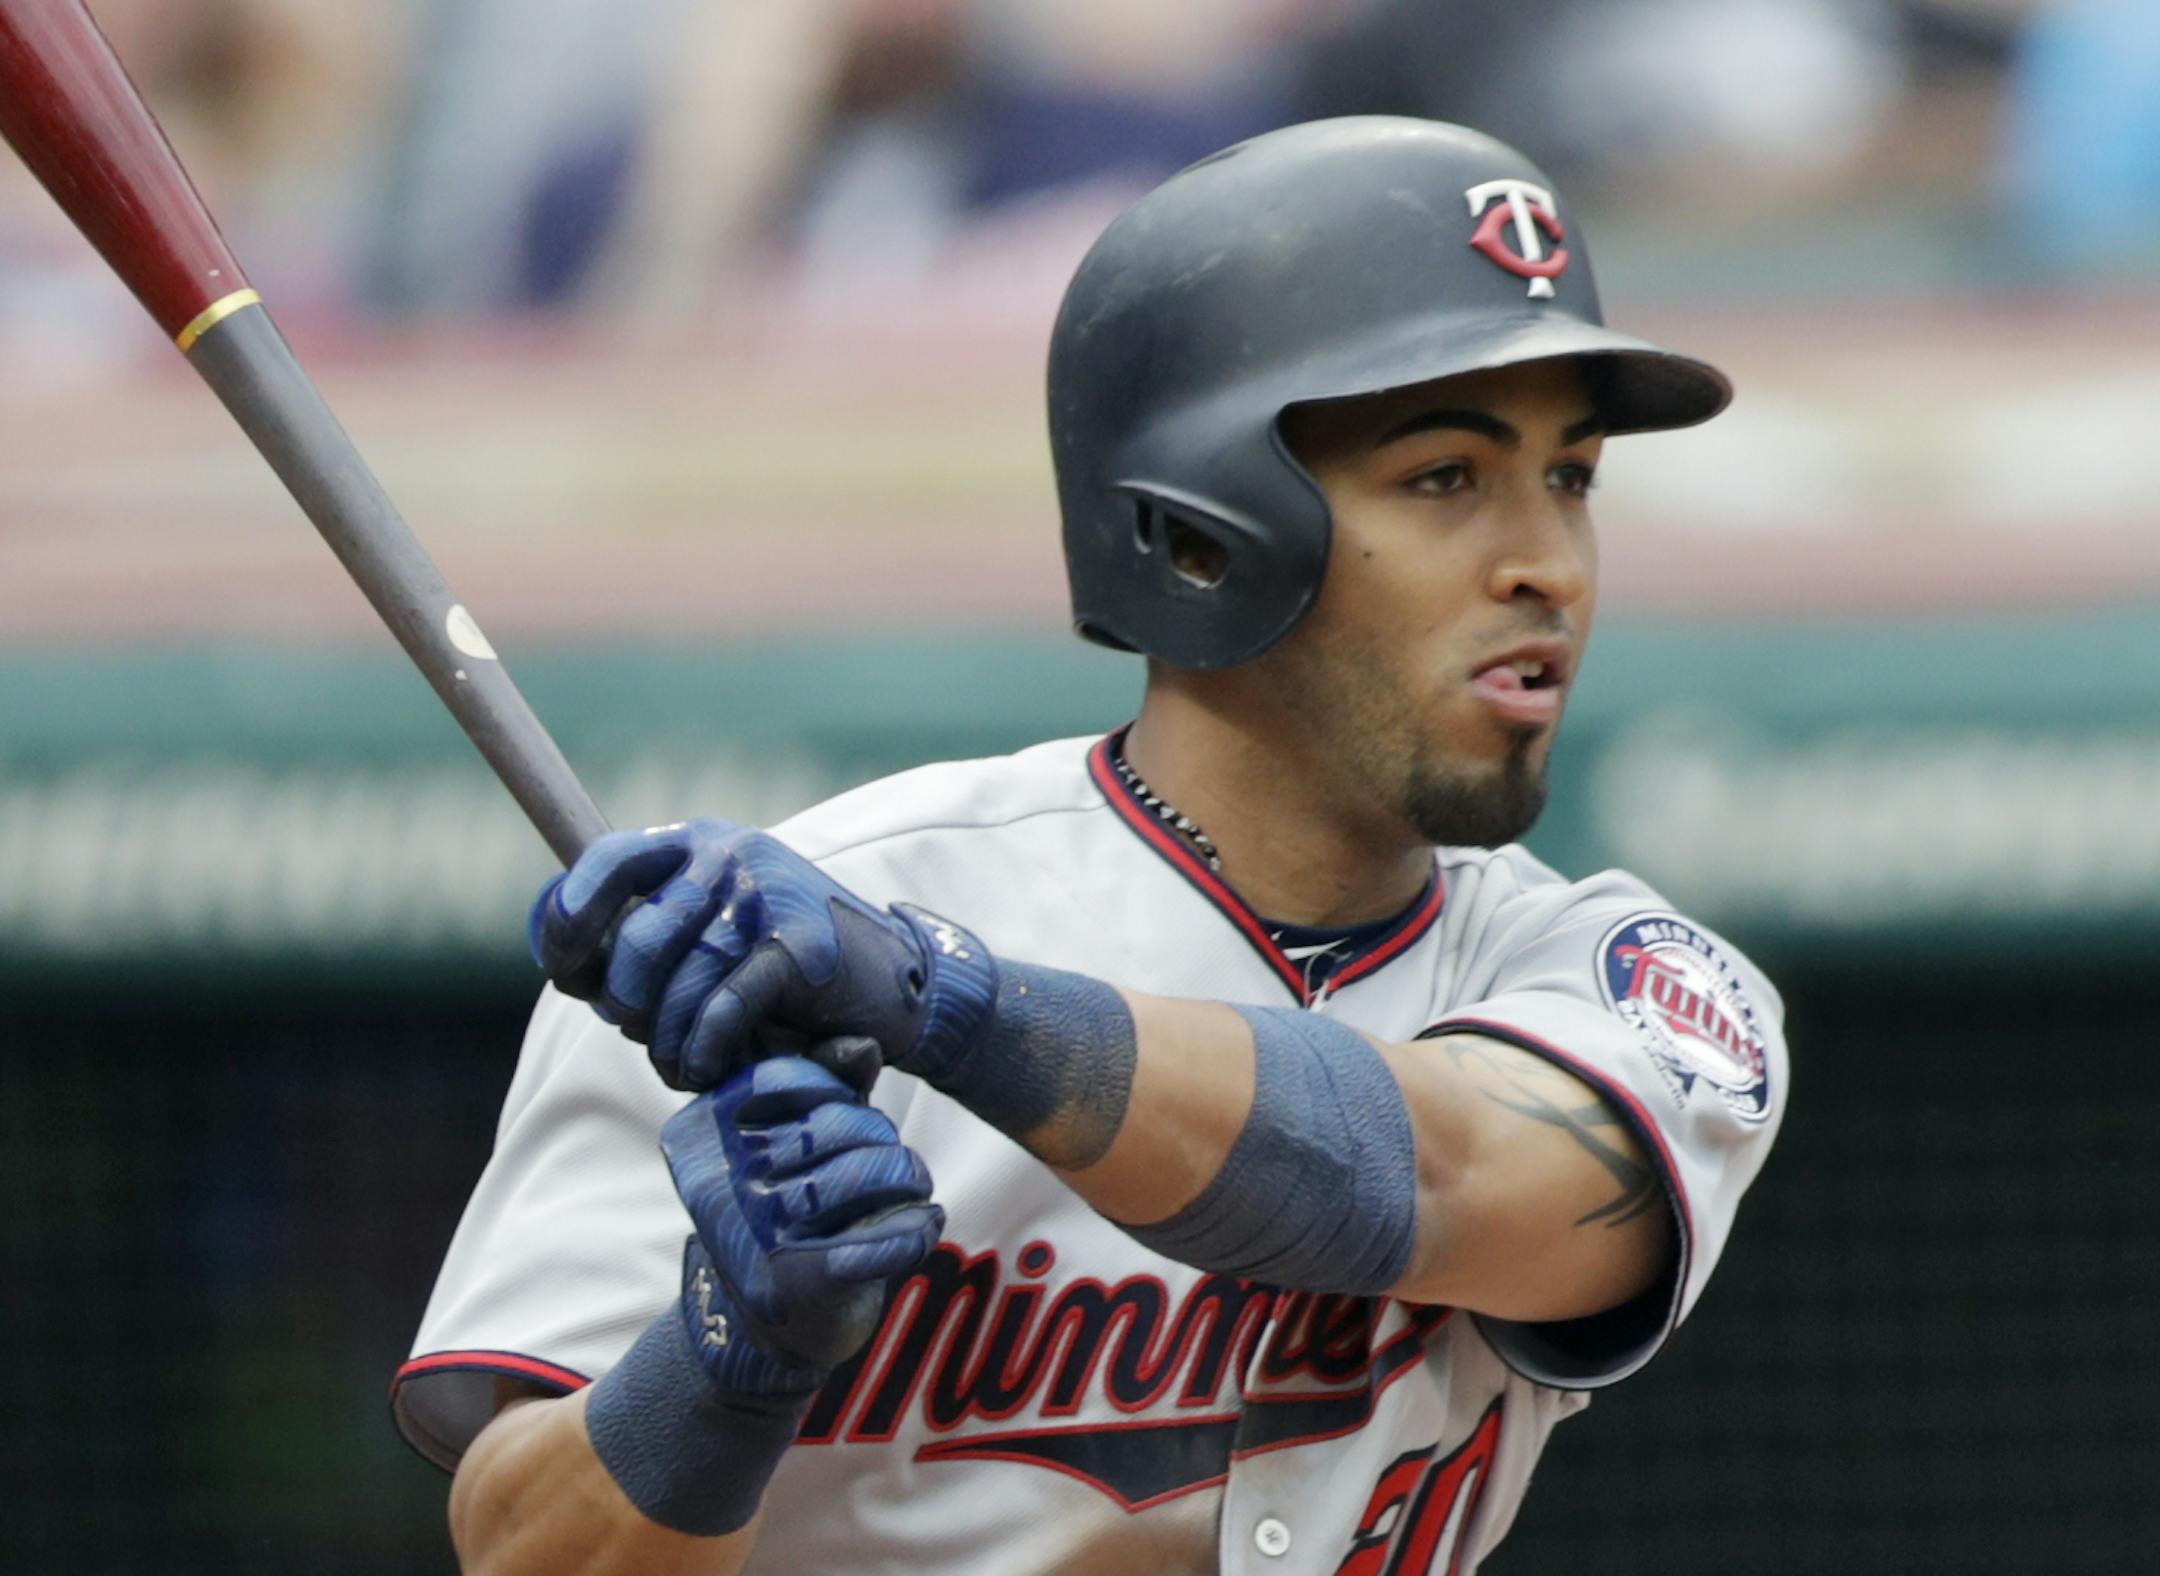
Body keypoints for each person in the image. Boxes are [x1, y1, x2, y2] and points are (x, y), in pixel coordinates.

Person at [395, 117, 1786, 1576]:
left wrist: (948, 1003)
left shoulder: (1623, 980)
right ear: (1198, 535)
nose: (1548, 564)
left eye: (1572, 479)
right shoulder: (763, 948)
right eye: (1446, 477)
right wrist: (728, 1360)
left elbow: (1431, 1178)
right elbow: (520, 1555)